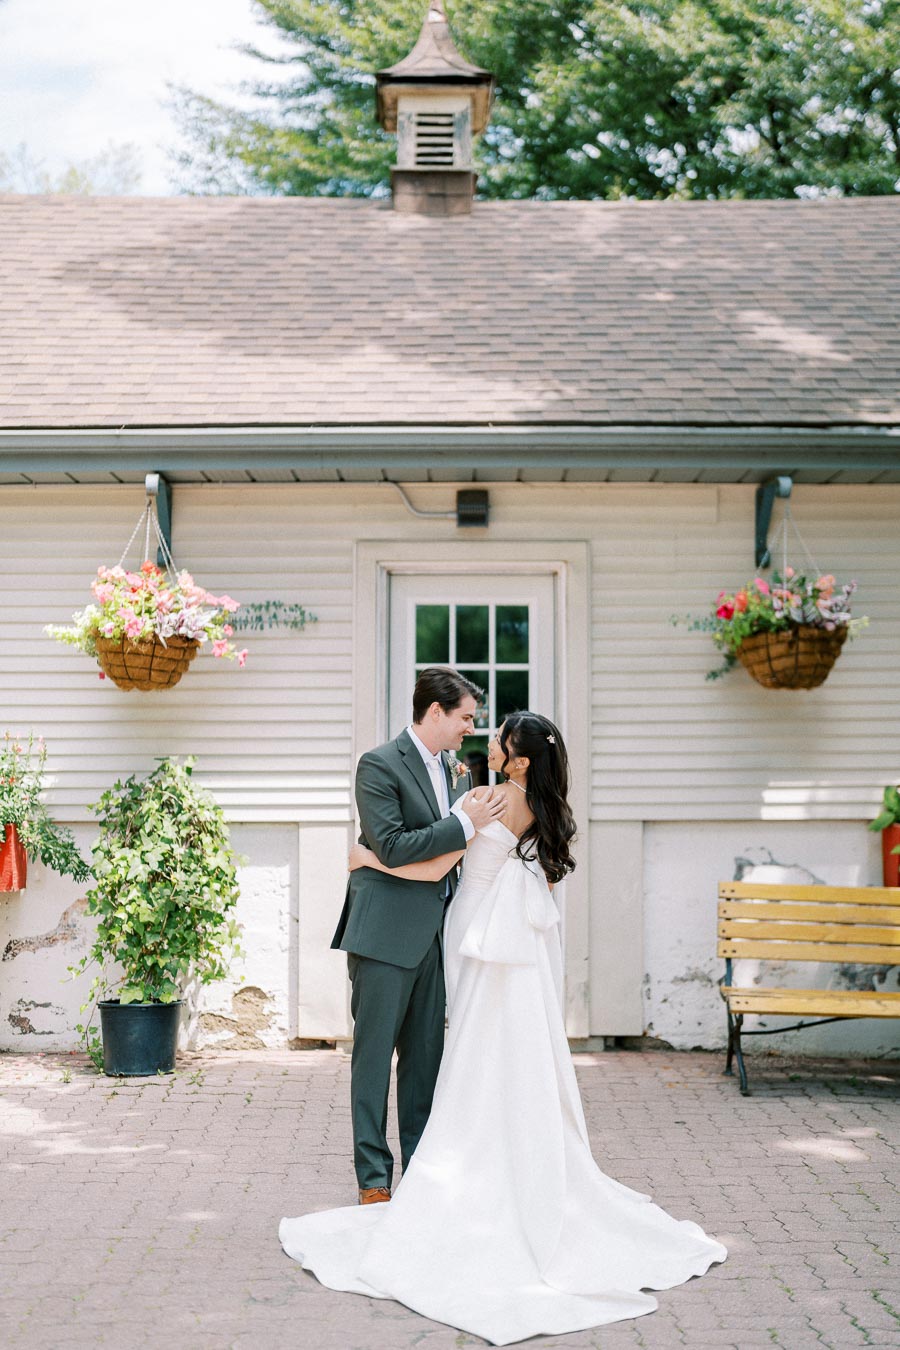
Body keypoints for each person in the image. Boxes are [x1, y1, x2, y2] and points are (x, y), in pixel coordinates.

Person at [281, 711, 727, 1345]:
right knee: (510, 1048)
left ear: (516, 760)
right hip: (513, 943)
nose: (486, 742)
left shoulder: (485, 799)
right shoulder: (545, 811)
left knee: (467, 1044)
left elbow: (435, 863)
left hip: (471, 935)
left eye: (499, 740)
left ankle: (458, 1159)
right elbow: (536, 878)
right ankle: (510, 1148)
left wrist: (362, 857)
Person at [329, 666, 508, 1204]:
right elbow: (393, 844)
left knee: (425, 1061)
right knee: (374, 1057)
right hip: (383, 934)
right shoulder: (378, 764)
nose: (469, 731)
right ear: (435, 712)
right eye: (464, 718)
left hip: (436, 936)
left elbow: (444, 855)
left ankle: (421, 1173)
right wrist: (463, 826)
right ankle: (374, 1180)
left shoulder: (458, 773)